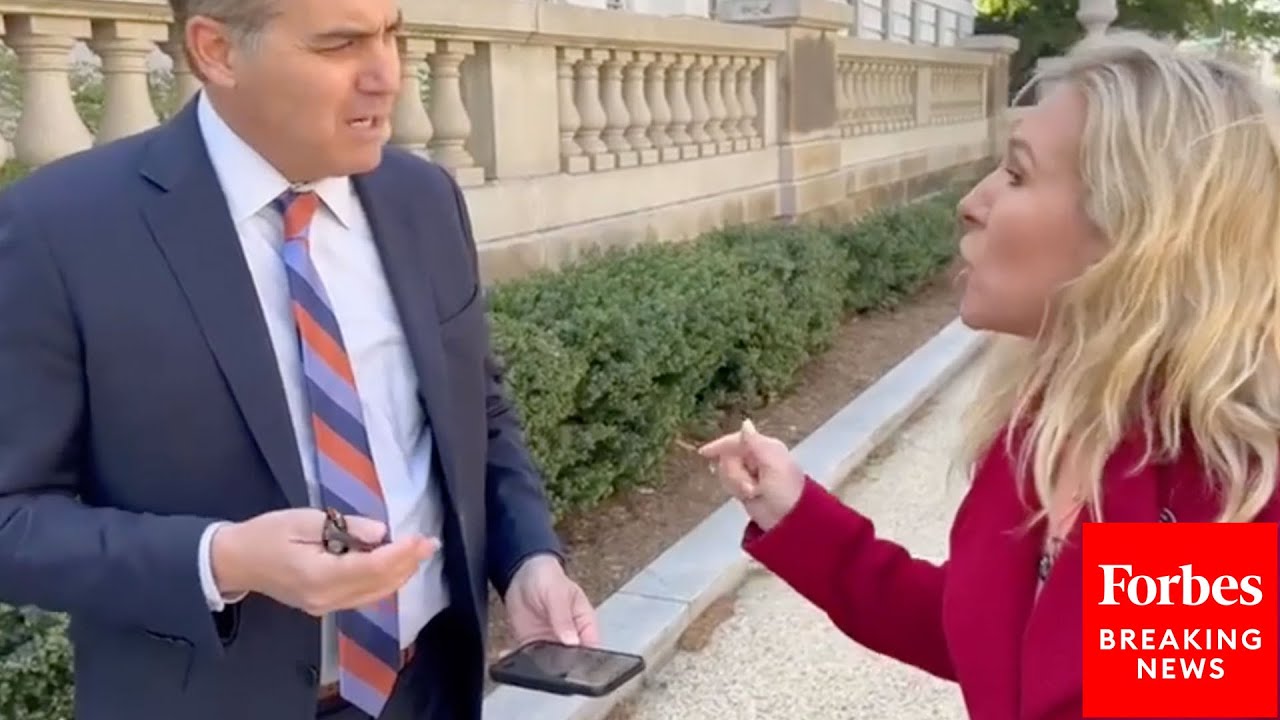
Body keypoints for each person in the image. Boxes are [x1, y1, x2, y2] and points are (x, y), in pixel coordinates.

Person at [0, 0, 598, 718]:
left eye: (391, 34)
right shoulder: (61, 230)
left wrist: (529, 557)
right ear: (217, 51)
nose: (388, 76)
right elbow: (12, 517)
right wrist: (222, 560)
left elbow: (480, 412)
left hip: (429, 688)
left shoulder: (423, 198)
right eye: (341, 43)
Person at [700, 31, 1280, 720]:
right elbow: (989, 638)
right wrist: (795, 514)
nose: (973, 202)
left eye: (1017, 173)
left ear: (1136, 233)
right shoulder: (1046, 426)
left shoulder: (1226, 491)